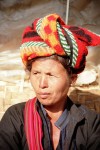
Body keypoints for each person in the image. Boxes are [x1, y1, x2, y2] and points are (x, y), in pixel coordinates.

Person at [0, 13, 100, 150]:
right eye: (36, 73)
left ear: (72, 79)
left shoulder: (91, 123)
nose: (41, 84)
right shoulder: (16, 117)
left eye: (51, 75)